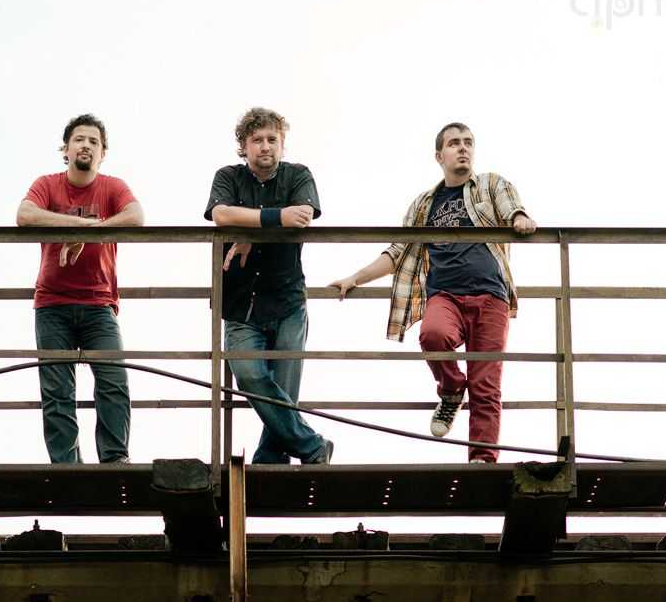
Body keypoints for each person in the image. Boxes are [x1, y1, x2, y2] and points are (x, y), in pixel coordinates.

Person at [330, 122, 537, 463]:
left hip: (491, 297)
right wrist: (356, 278)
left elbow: (510, 204)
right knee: (433, 335)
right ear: (440, 156)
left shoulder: (489, 184)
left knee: (485, 384)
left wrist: (520, 216)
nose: (463, 148)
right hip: (446, 295)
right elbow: (398, 251)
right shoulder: (425, 204)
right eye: (454, 143)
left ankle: (482, 459)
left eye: (468, 142)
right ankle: (452, 389)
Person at [204, 107, 333, 464]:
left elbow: (302, 216)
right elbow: (221, 214)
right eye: (257, 140)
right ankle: (312, 446)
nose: (265, 146)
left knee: (285, 391)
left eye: (272, 139)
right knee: (248, 374)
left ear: (282, 143)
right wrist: (273, 219)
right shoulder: (228, 176)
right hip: (240, 302)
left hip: (287, 299)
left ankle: (270, 459)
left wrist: (249, 231)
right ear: (243, 146)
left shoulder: (298, 175)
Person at [17, 113, 143, 463]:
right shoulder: (48, 184)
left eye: (93, 141)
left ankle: (115, 458)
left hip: (99, 303)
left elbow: (136, 216)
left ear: (103, 153)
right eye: (79, 140)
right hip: (52, 303)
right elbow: (25, 215)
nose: (86, 145)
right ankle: (66, 464)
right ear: (66, 149)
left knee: (114, 382)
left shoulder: (112, 187)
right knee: (57, 389)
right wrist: (77, 224)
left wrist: (89, 232)